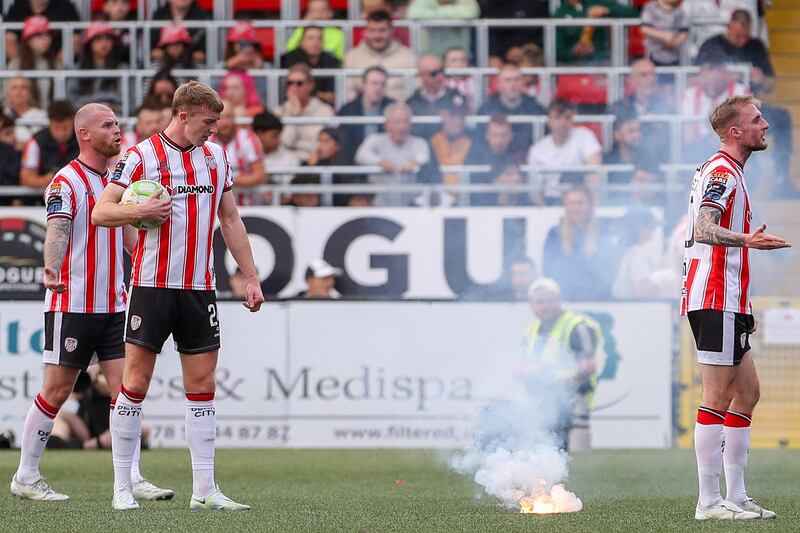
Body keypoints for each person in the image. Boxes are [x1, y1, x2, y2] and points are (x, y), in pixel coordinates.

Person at [92, 81, 265, 511]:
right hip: (151, 287)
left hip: (198, 287)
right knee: (135, 383)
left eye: (217, 123)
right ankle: (121, 488)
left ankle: (204, 491)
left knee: (203, 385)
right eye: (209, 122)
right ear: (184, 115)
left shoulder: (217, 157)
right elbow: (101, 212)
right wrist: (140, 212)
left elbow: (230, 219)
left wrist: (251, 276)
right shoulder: (140, 156)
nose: (213, 130)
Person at [9, 103, 173, 502]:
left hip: (115, 305)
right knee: (57, 389)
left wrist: (141, 259)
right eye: (108, 125)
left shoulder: (121, 180)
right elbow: (57, 228)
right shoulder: (66, 181)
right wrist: (51, 269)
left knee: (127, 390)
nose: (118, 130)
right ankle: (26, 475)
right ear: (84, 134)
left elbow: (128, 234)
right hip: (73, 303)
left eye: (118, 123)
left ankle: (132, 476)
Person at [682, 95, 788, 520]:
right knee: (717, 394)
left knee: (748, 392)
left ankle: (737, 496)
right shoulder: (723, 173)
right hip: (713, 298)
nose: (765, 125)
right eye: (756, 120)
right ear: (735, 132)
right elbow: (703, 228)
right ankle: (708, 502)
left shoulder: (727, 171)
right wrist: (748, 240)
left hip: (727, 299)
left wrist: (743, 305)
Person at [523, 278, 601, 452]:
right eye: (539, 302)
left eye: (549, 300)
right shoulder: (531, 331)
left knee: (563, 449)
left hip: (571, 397)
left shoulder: (575, 326)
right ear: (531, 304)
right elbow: (519, 366)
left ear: (558, 301)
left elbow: (588, 364)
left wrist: (568, 379)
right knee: (541, 445)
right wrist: (530, 372)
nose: (545, 306)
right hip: (541, 398)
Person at [542, 185, 617, 301]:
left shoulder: (602, 231)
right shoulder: (555, 234)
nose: (576, 208)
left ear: (589, 205)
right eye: (571, 204)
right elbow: (548, 268)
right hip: (564, 298)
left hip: (598, 298)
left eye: (580, 203)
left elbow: (609, 268)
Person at [527, 100, 603, 206]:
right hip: (552, 200)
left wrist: (594, 205)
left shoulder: (584, 136)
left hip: (581, 198)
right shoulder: (538, 150)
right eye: (558, 117)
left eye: (567, 117)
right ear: (549, 121)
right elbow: (536, 189)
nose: (563, 122)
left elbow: (594, 172)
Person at [354, 103, 431, 207]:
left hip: (411, 207)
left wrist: (414, 162)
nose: (401, 126)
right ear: (386, 125)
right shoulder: (375, 139)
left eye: (405, 122)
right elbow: (360, 155)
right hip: (379, 206)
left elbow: (425, 156)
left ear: (410, 124)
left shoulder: (419, 142)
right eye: (397, 122)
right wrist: (380, 162)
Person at [696, 9, 775, 95]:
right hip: (715, 102)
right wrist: (719, 78)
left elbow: (771, 84)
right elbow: (691, 79)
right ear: (729, 27)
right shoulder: (711, 45)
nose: (742, 41)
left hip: (749, 102)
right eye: (738, 36)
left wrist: (762, 80)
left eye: (746, 36)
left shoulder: (756, 46)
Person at [344, 10, 417, 101]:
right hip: (362, 113)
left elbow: (414, 92)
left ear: (392, 31)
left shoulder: (408, 57)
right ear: (366, 31)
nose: (377, 35)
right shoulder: (353, 57)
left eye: (382, 30)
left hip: (398, 111)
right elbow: (348, 92)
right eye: (372, 30)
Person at [476, 63, 546, 157]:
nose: (513, 84)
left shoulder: (535, 108)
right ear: (499, 84)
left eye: (516, 80)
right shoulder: (486, 110)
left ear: (522, 83)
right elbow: (480, 142)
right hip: (495, 162)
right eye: (507, 80)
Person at [273, 64, 335, 163]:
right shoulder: (279, 111)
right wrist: (295, 114)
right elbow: (286, 142)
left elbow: (327, 143)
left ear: (311, 85)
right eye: (290, 83)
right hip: (288, 162)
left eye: (299, 83)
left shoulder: (324, 110)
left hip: (317, 159)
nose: (294, 87)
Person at [338, 66, 395, 164]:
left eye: (382, 84)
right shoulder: (347, 110)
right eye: (374, 83)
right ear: (363, 84)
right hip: (355, 167)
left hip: (386, 166)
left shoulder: (393, 108)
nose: (379, 88)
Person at [555, 0, 638, 64]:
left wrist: (607, 10)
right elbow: (557, 51)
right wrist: (573, 52)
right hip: (572, 65)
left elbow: (634, 13)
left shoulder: (596, 2)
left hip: (602, 61)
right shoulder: (560, 13)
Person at [21, 100, 79, 190]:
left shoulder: (83, 139)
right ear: (50, 122)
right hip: (43, 199)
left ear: (73, 122)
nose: (61, 133)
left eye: (65, 127)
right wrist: (50, 180)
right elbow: (26, 177)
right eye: (56, 128)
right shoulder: (36, 142)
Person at [7, 15, 61, 111]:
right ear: (28, 39)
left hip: (49, 119)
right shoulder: (15, 65)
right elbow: (6, 99)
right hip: (20, 120)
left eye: (48, 35)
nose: (46, 40)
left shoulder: (56, 64)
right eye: (39, 35)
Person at [71, 21, 127, 109]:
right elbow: (71, 102)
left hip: (115, 119)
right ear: (89, 44)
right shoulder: (77, 70)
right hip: (86, 119)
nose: (104, 44)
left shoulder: (123, 69)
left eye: (108, 39)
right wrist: (100, 105)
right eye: (98, 39)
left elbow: (129, 101)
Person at [280, 26, 341, 106]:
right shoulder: (288, 59)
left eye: (319, 39)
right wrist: (320, 95)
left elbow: (333, 96)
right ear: (301, 41)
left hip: (324, 109)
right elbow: (292, 93)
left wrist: (310, 94)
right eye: (310, 38)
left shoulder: (332, 61)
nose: (315, 42)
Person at [406, 55, 462, 139]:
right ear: (422, 76)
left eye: (442, 71)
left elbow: (461, 127)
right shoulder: (413, 102)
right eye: (434, 74)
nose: (440, 77)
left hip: (449, 146)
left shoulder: (455, 96)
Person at [406, 0, 479, 58]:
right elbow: (412, 13)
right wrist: (454, 14)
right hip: (433, 57)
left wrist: (435, 13)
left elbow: (470, 12)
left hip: (459, 58)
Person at [252, 111, 300, 186]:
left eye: (279, 135)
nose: (279, 139)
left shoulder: (290, 158)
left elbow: (288, 193)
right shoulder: (243, 156)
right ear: (259, 134)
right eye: (274, 135)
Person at [640, 0, 690, 67]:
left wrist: (675, 42)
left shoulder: (679, 11)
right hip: (654, 56)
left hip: (675, 58)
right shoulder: (651, 7)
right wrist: (664, 36)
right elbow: (644, 28)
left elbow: (684, 31)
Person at [3, 76, 47, 149]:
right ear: (8, 93)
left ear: (30, 93)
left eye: (23, 88)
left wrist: (27, 146)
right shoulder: (3, 115)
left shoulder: (41, 116)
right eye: (14, 88)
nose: (18, 92)